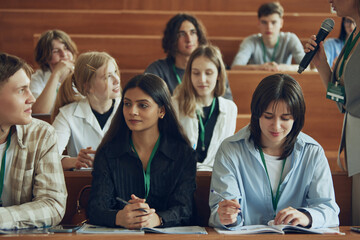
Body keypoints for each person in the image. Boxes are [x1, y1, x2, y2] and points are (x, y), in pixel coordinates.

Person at [209, 74, 339, 229]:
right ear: (256, 114)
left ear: (296, 119)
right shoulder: (230, 150)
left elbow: (329, 211)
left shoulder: (312, 152)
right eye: (268, 116)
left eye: (285, 118)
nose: (276, 126)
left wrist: (307, 216)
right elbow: (220, 210)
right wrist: (227, 217)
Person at [87, 74, 197, 228]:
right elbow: (96, 208)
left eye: (142, 105)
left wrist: (157, 219)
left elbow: (185, 209)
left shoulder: (183, 154)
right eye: (127, 104)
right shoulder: (108, 153)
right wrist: (119, 217)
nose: (132, 111)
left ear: (162, 111)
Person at [304, 0, 360, 226]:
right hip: (354, 137)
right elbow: (345, 100)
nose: (330, 1)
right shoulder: (354, 34)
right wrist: (321, 65)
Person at [0, 52, 67, 229]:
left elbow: (53, 205)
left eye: (29, 88)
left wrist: (2, 218)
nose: (32, 98)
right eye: (21, 90)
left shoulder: (41, 134)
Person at [51, 51, 121, 171]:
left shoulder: (128, 109)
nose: (117, 80)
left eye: (115, 72)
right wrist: (75, 161)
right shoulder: (67, 114)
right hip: (84, 186)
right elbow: (48, 157)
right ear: (88, 86)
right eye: (108, 76)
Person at [172, 45, 237, 171]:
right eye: (196, 73)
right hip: (180, 175)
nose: (202, 79)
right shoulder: (175, 105)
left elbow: (227, 155)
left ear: (218, 74)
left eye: (208, 73)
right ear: (189, 74)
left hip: (216, 178)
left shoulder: (230, 109)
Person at [145, 13, 233, 100]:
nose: (189, 39)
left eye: (193, 32)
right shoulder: (157, 69)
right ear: (172, 39)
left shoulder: (213, 67)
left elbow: (227, 104)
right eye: (182, 34)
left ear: (199, 36)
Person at [231, 2, 305, 72]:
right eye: (264, 22)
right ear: (258, 23)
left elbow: (306, 67)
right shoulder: (250, 41)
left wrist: (282, 67)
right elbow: (235, 67)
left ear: (281, 23)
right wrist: (260, 68)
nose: (269, 27)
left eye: (273, 22)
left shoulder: (290, 39)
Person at [31, 29, 78, 114]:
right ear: (45, 58)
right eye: (56, 51)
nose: (64, 54)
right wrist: (56, 75)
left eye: (66, 48)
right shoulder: (37, 79)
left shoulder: (82, 74)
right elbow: (39, 113)